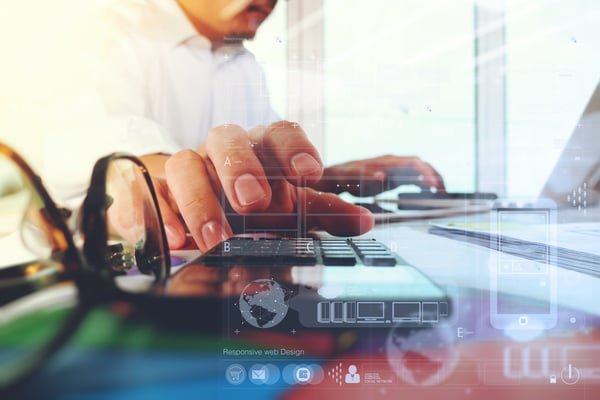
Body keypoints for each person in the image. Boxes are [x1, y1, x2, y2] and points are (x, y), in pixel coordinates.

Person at [37, 0, 445, 252]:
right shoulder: (103, 29)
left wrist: (336, 176)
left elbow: (257, 189)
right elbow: (84, 147)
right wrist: (161, 175)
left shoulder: (244, 65)